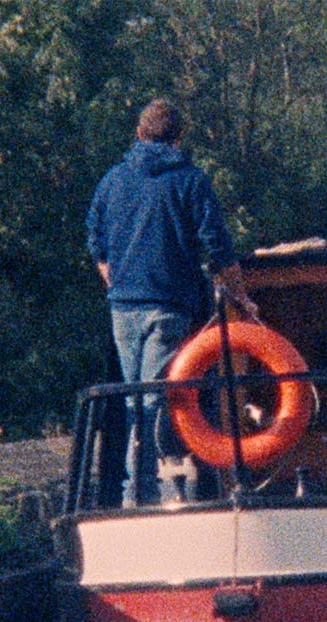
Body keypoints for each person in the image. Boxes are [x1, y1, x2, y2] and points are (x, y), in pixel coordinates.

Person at [86, 98, 256, 507]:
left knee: (134, 398)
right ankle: (142, 493)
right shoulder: (190, 181)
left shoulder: (112, 180)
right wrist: (242, 298)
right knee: (151, 400)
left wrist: (112, 277)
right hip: (168, 304)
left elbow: (94, 237)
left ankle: (134, 491)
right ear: (179, 138)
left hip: (122, 306)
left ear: (138, 134)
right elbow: (218, 246)